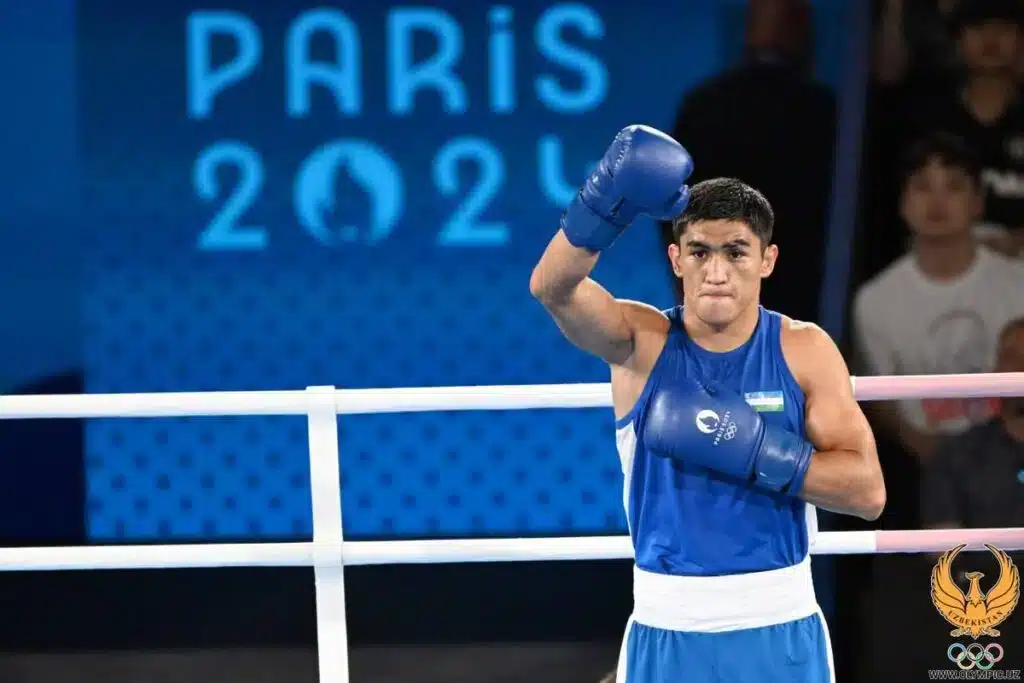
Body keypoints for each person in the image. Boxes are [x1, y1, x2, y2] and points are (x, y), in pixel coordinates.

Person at [530, 125, 885, 683]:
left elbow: (867, 493)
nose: (716, 272)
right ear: (676, 259)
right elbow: (552, 289)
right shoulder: (640, 342)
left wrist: (754, 449)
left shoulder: (804, 350)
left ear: (767, 260)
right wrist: (606, 205)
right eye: (700, 252)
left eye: (736, 252)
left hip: (778, 623)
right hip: (666, 626)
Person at [853, 131, 1024, 464]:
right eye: (922, 187)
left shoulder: (1017, 282)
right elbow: (883, 406)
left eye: (954, 187)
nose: (937, 201)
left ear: (978, 202)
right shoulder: (874, 301)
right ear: (902, 202)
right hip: (923, 462)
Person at [921, 317, 1024, 530]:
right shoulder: (955, 456)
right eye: (1012, 357)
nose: (1022, 368)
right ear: (996, 370)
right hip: (983, 554)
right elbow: (943, 540)